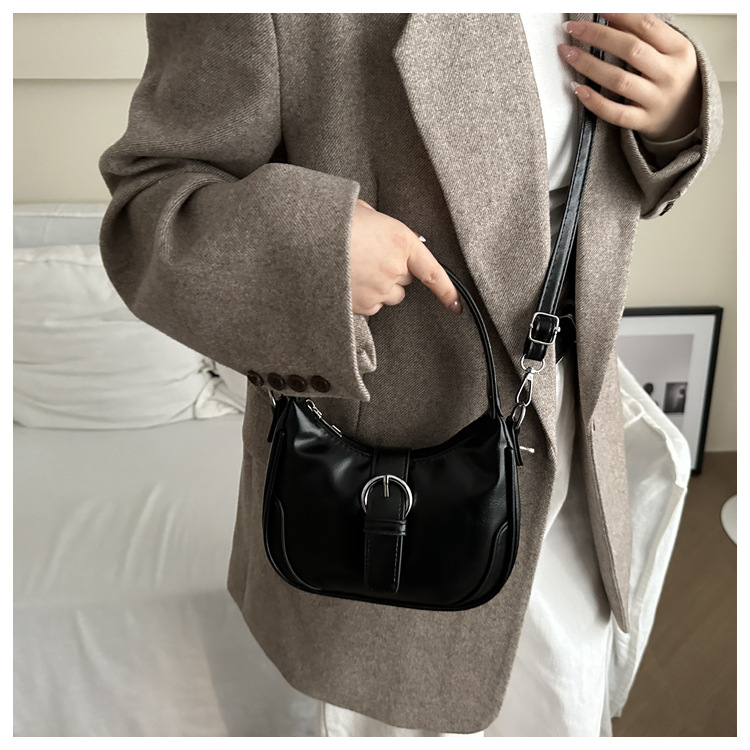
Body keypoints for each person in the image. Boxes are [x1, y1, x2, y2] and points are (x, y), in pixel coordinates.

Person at [98, 13, 721, 736]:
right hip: (382, 518)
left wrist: (671, 118)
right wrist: (317, 251)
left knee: (562, 704)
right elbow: (150, 209)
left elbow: (587, 177)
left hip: (578, 458)